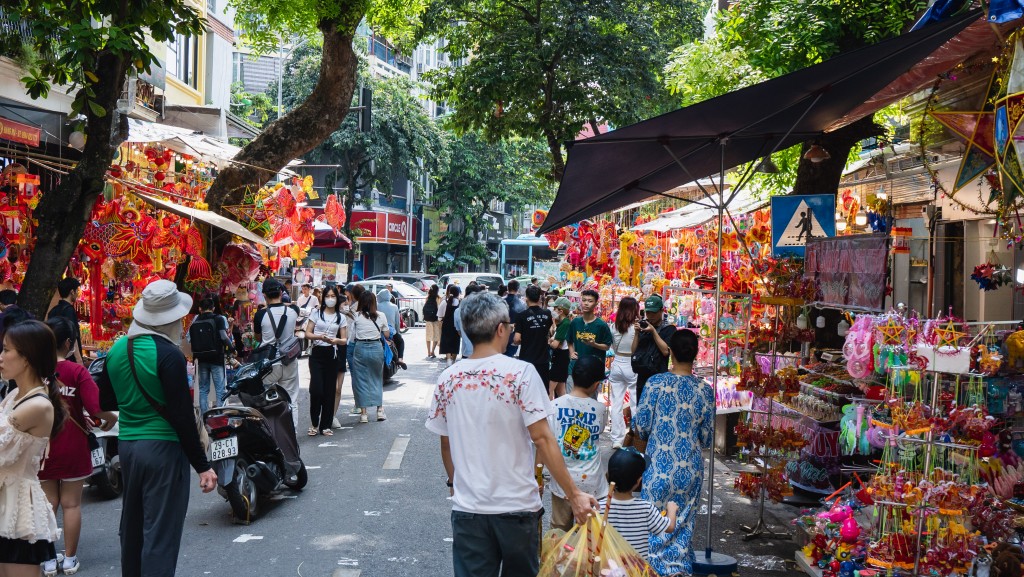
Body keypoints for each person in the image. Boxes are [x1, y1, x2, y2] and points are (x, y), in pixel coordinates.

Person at [425, 292, 597, 577]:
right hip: (516, 509)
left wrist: (455, 484)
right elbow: (542, 438)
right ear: (501, 329)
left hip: (469, 510)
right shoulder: (522, 373)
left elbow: (446, 442)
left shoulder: (449, 378)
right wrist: (574, 494)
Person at [95, 280, 216, 577]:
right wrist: (202, 466)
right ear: (172, 318)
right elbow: (181, 417)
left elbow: (105, 399)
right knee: (160, 534)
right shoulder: (169, 355)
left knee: (133, 529)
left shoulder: (118, 348)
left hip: (129, 447)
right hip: (163, 450)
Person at [39, 317, 118, 576]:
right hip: (72, 445)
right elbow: (96, 409)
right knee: (71, 505)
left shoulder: (34, 371)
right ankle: (70, 559)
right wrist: (111, 419)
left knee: (48, 503)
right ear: (70, 343)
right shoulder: (78, 372)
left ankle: (49, 560)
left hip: (42, 448)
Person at [632, 330, 714, 575]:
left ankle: (653, 570)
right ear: (696, 354)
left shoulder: (656, 383)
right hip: (689, 468)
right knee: (682, 528)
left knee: (653, 525)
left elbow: (641, 426)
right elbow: (707, 437)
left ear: (671, 352)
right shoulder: (705, 390)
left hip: (657, 465)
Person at [0, 321, 67, 576]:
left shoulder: (37, 405)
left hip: (19, 511)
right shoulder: (15, 395)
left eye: (6, 350)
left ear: (26, 357)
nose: (1, 357)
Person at [546, 356, 608, 532]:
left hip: (562, 482)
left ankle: (557, 559)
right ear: (596, 384)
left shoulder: (554, 406)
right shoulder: (600, 409)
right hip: (592, 483)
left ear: (571, 377)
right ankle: (584, 560)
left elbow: (546, 441)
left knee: (559, 527)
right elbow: (599, 431)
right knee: (588, 533)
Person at [598, 448, 678, 560]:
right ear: (638, 481)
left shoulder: (599, 508)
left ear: (607, 476)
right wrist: (672, 510)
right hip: (636, 569)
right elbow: (669, 527)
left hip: (608, 569)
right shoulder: (645, 508)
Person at [253, 278, 302, 430]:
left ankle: (271, 431)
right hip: (289, 360)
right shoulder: (293, 311)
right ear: (281, 293)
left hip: (269, 363)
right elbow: (292, 307)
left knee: (267, 398)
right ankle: (291, 432)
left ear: (264, 295)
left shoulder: (260, 315)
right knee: (291, 398)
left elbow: (257, 338)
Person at [304, 285, 348, 436]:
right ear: (323, 297)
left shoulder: (341, 317)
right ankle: (314, 423)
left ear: (337, 298)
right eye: (327, 296)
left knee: (330, 390)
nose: (330, 299)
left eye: (333, 296)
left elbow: (344, 339)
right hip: (317, 353)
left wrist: (336, 340)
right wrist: (319, 337)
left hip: (332, 354)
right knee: (316, 389)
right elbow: (308, 333)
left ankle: (326, 425)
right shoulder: (316, 313)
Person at [349, 291, 389, 423]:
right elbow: (387, 334)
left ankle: (364, 414)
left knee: (361, 381)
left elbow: (352, 336)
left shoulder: (356, 316)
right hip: (376, 348)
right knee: (377, 378)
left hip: (360, 348)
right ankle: (379, 410)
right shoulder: (381, 316)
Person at [187, 297, 230, 414]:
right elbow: (224, 337)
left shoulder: (195, 320)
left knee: (203, 389)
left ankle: (204, 416)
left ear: (200, 308)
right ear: (213, 308)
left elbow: (189, 338)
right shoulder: (219, 319)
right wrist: (231, 348)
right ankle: (219, 416)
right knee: (220, 389)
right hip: (216, 358)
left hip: (201, 359)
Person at [630, 294, 676, 404]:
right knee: (641, 410)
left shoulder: (669, 328)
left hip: (660, 378)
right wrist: (636, 333)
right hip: (642, 378)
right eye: (648, 312)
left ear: (661, 311)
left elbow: (666, 352)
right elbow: (633, 351)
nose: (651, 316)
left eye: (654, 312)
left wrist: (653, 331)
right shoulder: (643, 325)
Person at [608, 296, 640, 448]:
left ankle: (617, 439)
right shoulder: (637, 327)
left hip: (617, 363)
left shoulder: (614, 326)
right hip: (631, 364)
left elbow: (613, 347)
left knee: (616, 403)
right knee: (634, 403)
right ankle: (634, 436)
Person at [566, 289, 612, 380]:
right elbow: (569, 340)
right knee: (572, 393)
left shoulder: (601, 325)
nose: (586, 303)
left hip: (593, 368)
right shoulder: (575, 322)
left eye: (590, 301)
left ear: (596, 304)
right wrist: (571, 352)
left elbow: (607, 346)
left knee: (590, 394)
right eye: (584, 300)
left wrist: (594, 344)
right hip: (576, 366)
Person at [513, 284, 552, 385]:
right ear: (539, 297)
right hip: (543, 359)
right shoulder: (547, 313)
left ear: (526, 298)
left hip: (526, 359)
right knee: (542, 388)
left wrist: (526, 339)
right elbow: (550, 331)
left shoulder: (521, 316)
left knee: (526, 387)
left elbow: (517, 339)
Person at [47, 277, 84, 365]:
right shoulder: (69, 310)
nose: (77, 294)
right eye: (76, 291)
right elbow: (73, 337)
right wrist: (79, 361)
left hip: (55, 357)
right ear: (72, 292)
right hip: (69, 358)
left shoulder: (53, 310)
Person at [547, 297, 573, 399]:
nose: (553, 311)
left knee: (549, 390)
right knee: (560, 390)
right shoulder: (563, 323)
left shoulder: (565, 323)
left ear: (561, 311)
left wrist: (549, 342)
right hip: (562, 358)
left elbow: (555, 345)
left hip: (560, 359)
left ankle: (549, 414)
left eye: (555, 309)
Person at [376, 290, 408, 371]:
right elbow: (397, 323)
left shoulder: (377, 305)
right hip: (391, 332)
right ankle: (400, 359)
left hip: (378, 331)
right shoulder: (394, 307)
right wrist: (398, 333)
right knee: (400, 342)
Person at [438, 285, 462, 366]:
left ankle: (448, 360)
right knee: (455, 342)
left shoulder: (445, 301)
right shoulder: (459, 302)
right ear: (458, 293)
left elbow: (439, 315)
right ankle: (454, 361)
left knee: (447, 342)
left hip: (446, 325)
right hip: (456, 325)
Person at [503, 280, 526, 357]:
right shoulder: (522, 304)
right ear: (518, 289)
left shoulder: (500, 301)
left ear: (507, 288)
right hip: (514, 336)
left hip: (500, 335)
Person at [296, 283, 319, 353]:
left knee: (311, 332)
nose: (304, 290)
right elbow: (298, 308)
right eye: (303, 289)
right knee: (303, 332)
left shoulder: (314, 298)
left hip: (312, 318)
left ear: (309, 289)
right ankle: (304, 347)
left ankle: (311, 346)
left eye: (305, 289)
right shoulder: (300, 298)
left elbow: (317, 307)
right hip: (303, 319)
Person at [423, 284, 442, 359]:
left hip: (428, 320)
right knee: (436, 336)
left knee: (428, 336)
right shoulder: (438, 298)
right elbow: (439, 308)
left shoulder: (427, 298)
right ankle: (432, 351)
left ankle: (428, 352)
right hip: (436, 320)